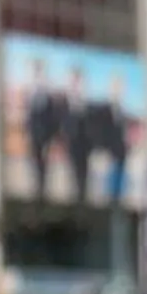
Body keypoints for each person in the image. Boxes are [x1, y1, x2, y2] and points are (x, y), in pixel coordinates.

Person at [23, 59, 58, 200]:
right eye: (37, 72)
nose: (39, 75)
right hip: (33, 133)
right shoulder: (30, 92)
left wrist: (51, 135)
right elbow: (28, 115)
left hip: (45, 134)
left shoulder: (47, 94)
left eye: (40, 72)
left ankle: (42, 188)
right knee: (34, 160)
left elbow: (52, 116)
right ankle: (36, 187)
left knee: (44, 163)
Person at [95, 72, 130, 202]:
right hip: (109, 155)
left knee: (119, 192)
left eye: (120, 87)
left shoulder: (122, 110)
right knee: (108, 192)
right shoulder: (104, 109)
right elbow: (100, 132)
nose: (118, 90)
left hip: (121, 155)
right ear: (110, 89)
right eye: (115, 87)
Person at [61, 66, 92, 202]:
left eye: (78, 81)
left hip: (84, 147)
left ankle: (82, 198)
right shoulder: (64, 104)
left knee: (83, 177)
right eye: (74, 81)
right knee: (72, 176)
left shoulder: (87, 106)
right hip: (71, 145)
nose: (76, 85)